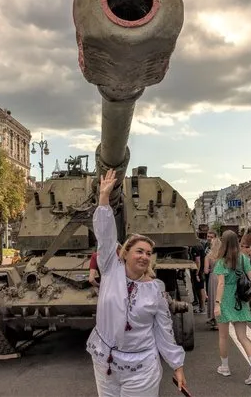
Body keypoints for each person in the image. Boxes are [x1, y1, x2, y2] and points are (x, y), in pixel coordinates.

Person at [86, 169, 186, 396]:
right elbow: (105, 235)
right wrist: (104, 198)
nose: (144, 256)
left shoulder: (155, 289)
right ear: (125, 253)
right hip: (105, 364)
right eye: (139, 251)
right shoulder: (111, 270)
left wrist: (177, 365)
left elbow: (164, 330)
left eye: (148, 253)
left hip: (142, 368)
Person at [213, 230, 251, 385]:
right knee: (243, 337)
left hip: (225, 300)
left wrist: (217, 304)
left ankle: (225, 367)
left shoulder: (221, 261)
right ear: (236, 241)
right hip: (240, 300)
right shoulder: (244, 258)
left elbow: (221, 284)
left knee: (223, 336)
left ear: (223, 242)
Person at [204, 236, 222, 330]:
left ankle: (214, 320)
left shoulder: (208, 256)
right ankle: (222, 319)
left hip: (213, 276)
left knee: (213, 297)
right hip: (222, 276)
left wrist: (211, 269)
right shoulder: (223, 255)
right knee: (221, 297)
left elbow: (206, 271)